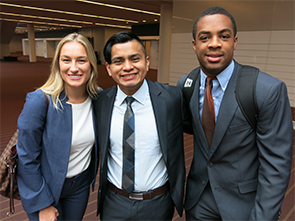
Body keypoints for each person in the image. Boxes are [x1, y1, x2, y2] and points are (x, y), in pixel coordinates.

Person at [177, 6, 293, 221]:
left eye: (224, 36)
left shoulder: (266, 90)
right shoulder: (186, 85)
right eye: (205, 37)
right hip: (198, 202)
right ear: (194, 45)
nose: (214, 43)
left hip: (244, 206)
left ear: (235, 42)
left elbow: (276, 165)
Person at [95, 31, 186, 220]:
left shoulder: (172, 98)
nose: (128, 67)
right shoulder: (100, 102)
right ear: (109, 68)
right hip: (114, 202)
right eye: (118, 61)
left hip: (157, 203)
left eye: (134, 59)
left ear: (147, 61)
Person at [16, 33, 100, 221]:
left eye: (81, 60)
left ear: (91, 64)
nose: (74, 68)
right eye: (66, 60)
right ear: (57, 64)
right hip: (45, 186)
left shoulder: (98, 99)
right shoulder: (40, 100)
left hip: (79, 186)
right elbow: (26, 157)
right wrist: (42, 202)